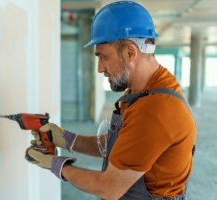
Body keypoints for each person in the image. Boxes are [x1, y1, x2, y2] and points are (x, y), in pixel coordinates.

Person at [26, 1, 196, 199]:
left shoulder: (155, 109)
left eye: (103, 57)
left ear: (130, 53)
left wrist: (56, 165)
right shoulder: (143, 90)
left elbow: (109, 187)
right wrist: (67, 139)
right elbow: (124, 145)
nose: (99, 68)